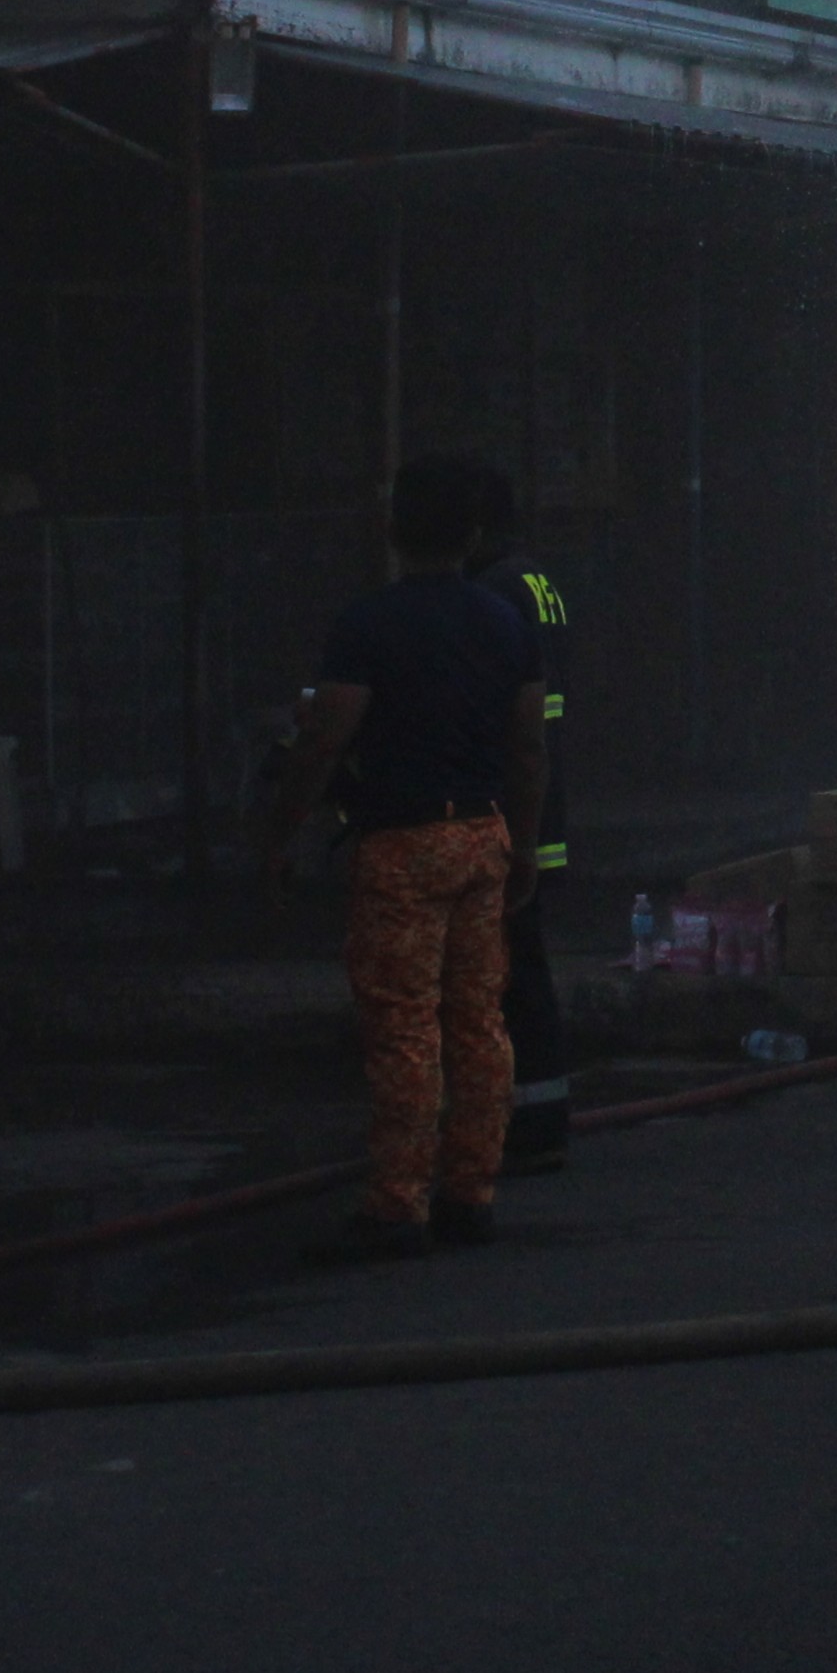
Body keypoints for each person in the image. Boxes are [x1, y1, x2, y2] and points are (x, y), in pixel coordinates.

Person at [258, 453, 546, 1263]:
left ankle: (396, 1204)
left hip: (402, 848)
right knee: (480, 1023)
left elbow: (325, 742)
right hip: (482, 838)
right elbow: (528, 747)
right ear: (475, 534)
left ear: (391, 530)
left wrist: (282, 835)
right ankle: (470, 1192)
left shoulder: (367, 625)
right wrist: (521, 844)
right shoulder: (505, 624)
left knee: (404, 1028)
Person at [465, 463, 581, 1177]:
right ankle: (534, 1110)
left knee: (510, 967)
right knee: (523, 958)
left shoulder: (492, 593)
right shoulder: (538, 580)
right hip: (541, 798)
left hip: (514, 801)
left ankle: (526, 1118)